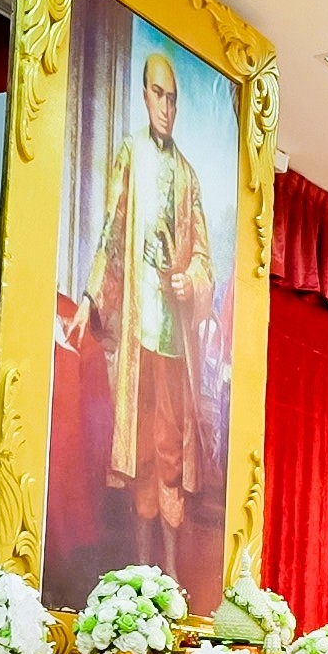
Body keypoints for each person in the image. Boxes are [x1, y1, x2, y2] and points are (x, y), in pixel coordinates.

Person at [66, 52, 213, 572]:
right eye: (158, 94)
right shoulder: (130, 153)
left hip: (172, 338)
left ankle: (170, 572)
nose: (165, 107)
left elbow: (203, 258)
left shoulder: (188, 176)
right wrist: (89, 299)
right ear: (144, 95)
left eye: (173, 98)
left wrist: (189, 281)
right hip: (137, 332)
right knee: (140, 453)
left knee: (170, 452)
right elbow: (111, 229)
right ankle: (143, 567)